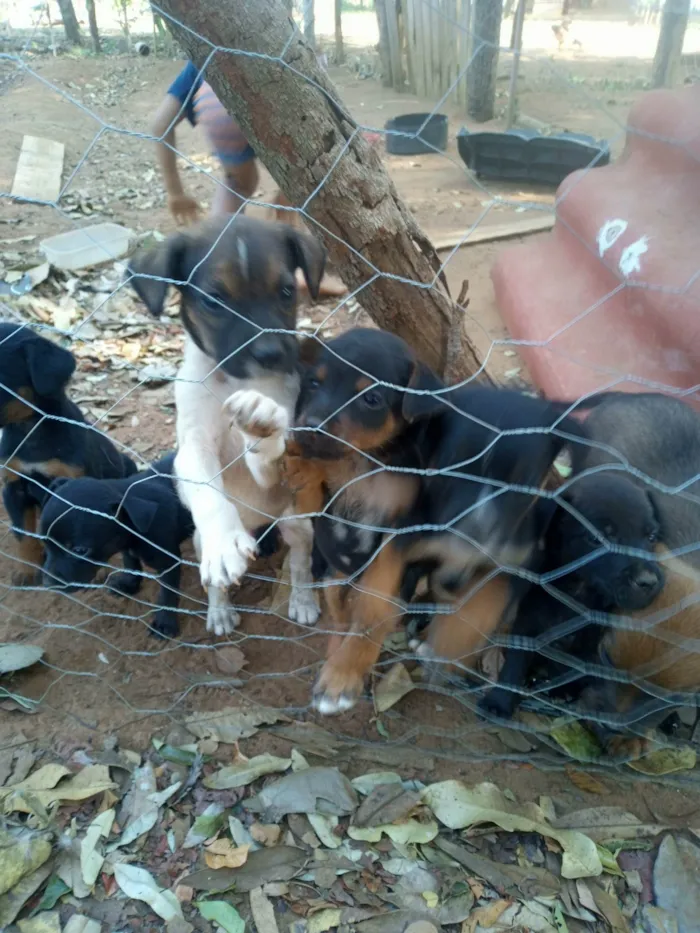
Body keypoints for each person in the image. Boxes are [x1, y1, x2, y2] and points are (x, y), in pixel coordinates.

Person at [151, 61, 261, 224]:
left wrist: (175, 192)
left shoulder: (203, 54)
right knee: (297, 173)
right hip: (268, 90)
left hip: (216, 104)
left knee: (236, 186)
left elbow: (160, 124)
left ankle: (220, 239)